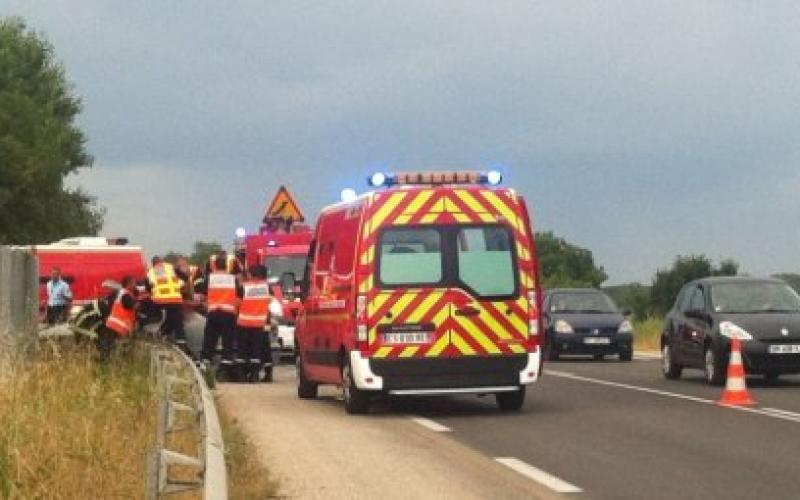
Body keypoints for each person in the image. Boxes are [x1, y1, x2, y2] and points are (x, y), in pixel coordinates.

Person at [200, 255, 239, 370]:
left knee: (210, 340)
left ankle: (205, 363)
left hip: (213, 313)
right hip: (228, 313)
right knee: (228, 342)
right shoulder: (232, 278)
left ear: (214, 265)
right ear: (226, 265)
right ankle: (226, 367)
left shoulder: (209, 278)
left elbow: (202, 296)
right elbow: (238, 296)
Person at [236, 265, 273, 382]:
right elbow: (270, 301)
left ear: (251, 274)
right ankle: (255, 375)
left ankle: (241, 375)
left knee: (242, 350)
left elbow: (237, 304)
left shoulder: (243, 287)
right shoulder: (267, 287)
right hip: (259, 323)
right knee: (256, 350)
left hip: (244, 322)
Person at [146, 256, 188, 347]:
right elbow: (185, 277)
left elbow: (148, 287)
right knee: (177, 319)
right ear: (162, 261)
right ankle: (181, 340)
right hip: (174, 298)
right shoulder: (170, 267)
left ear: (153, 263)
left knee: (168, 318)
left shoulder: (150, 272)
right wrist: (179, 284)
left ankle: (160, 332)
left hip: (159, 300)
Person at [97, 276, 137, 360]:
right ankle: (104, 359)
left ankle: (104, 358)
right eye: (133, 283)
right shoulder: (126, 295)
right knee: (109, 343)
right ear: (128, 284)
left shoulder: (121, 292)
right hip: (119, 324)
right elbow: (132, 306)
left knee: (107, 342)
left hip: (113, 322)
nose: (135, 285)